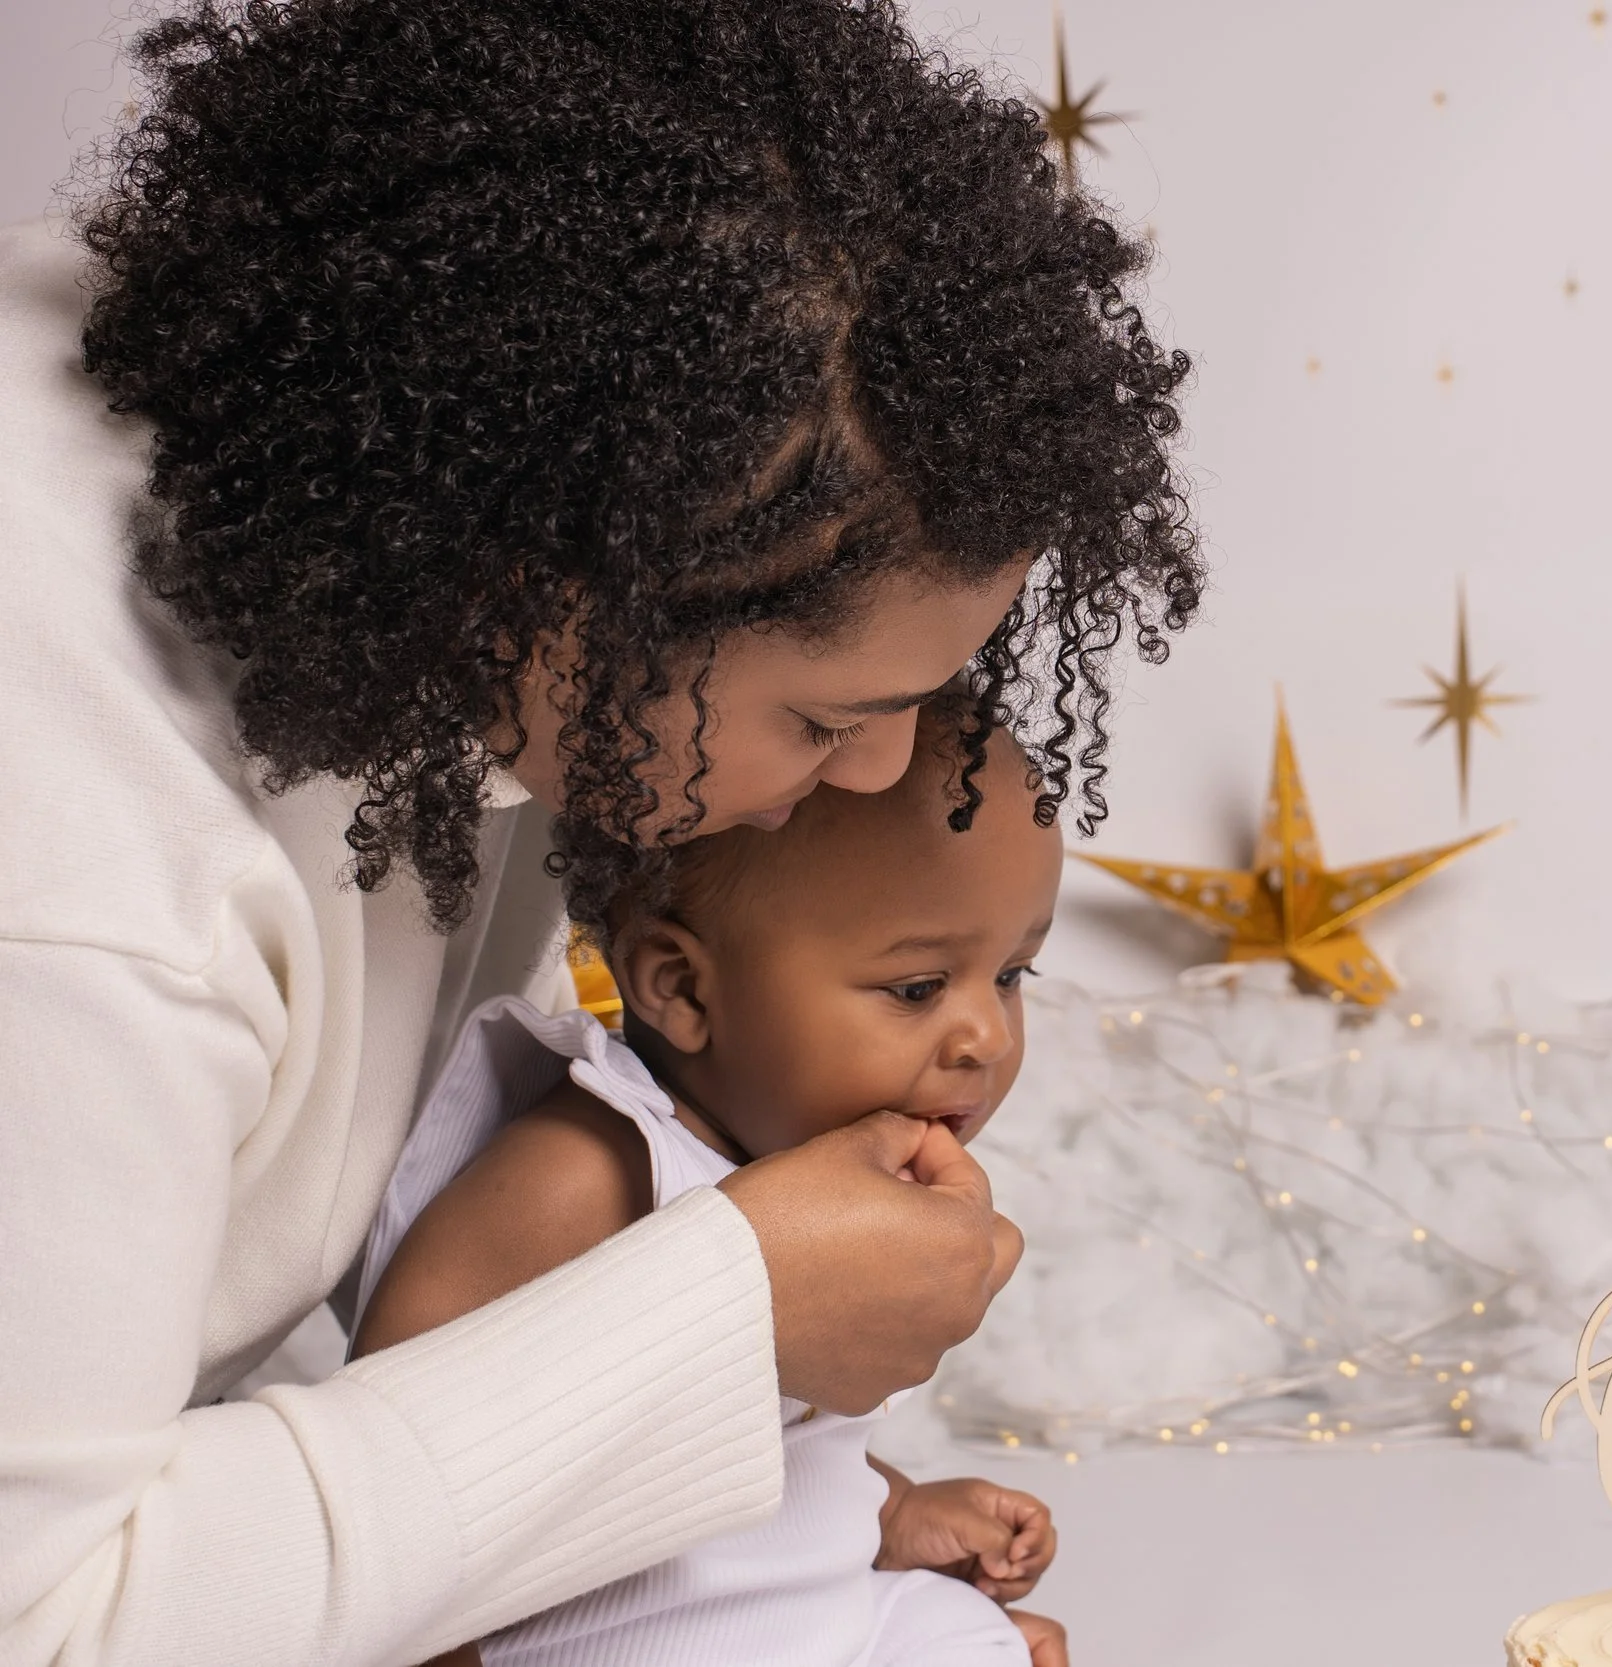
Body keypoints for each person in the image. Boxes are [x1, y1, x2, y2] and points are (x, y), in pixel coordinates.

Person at [0, 3, 1199, 1663]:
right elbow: (50, 1618)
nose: (879, 782)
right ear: (545, 585)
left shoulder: (411, 464)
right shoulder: (82, 886)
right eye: (825, 720)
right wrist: (725, 1312)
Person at [356, 716, 1069, 1667]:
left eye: (1012, 974)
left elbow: (782, 1446)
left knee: (993, 1644)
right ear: (683, 988)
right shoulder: (593, 1169)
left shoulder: (813, 1181)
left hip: (796, 1628)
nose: (988, 1035)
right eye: (919, 986)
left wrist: (894, 1511)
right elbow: (396, 1470)